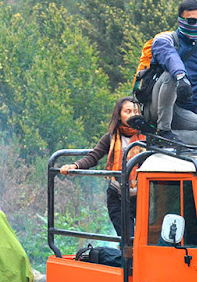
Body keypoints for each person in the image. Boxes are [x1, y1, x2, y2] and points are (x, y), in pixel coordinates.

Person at [60, 96, 145, 237]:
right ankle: (126, 256)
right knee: (127, 240)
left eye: (136, 112)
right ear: (119, 116)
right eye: (128, 111)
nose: (132, 115)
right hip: (118, 195)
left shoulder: (146, 138)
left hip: (143, 195)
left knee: (146, 240)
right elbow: (93, 156)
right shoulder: (111, 137)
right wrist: (75, 165)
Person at [146, 0, 197, 145]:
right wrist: (181, 76)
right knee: (171, 75)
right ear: (180, 20)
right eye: (191, 21)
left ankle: (162, 139)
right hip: (157, 105)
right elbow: (170, 57)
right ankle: (163, 130)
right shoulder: (164, 39)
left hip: (184, 111)